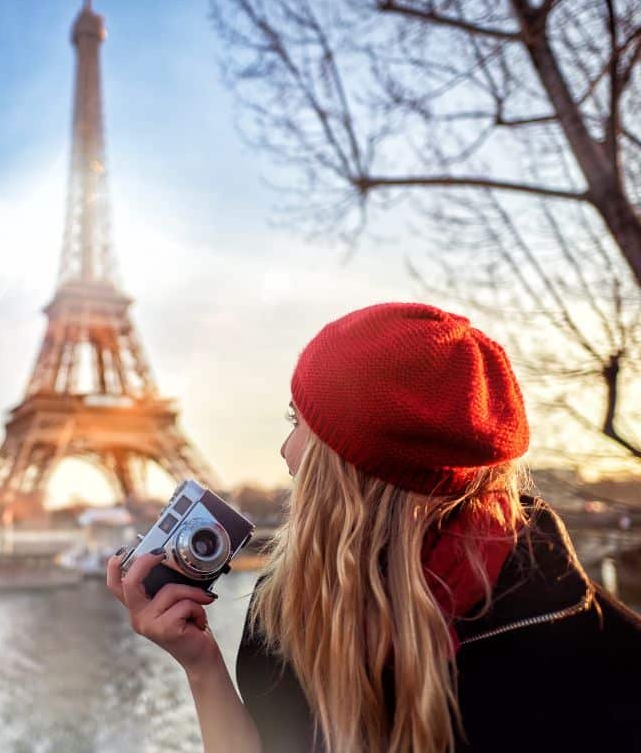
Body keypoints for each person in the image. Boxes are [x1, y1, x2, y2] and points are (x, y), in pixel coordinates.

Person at [106, 302, 641, 753]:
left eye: (300, 425)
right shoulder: (281, 607)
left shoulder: (604, 663)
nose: (286, 453)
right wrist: (202, 669)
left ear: (354, 474)